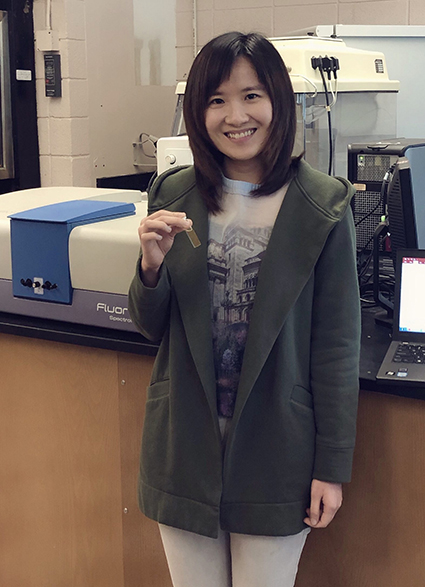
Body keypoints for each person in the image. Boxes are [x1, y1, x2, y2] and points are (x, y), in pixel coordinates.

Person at [128, 31, 361, 587]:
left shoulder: (322, 205)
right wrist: (151, 267)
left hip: (279, 450)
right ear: (197, 112)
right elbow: (148, 326)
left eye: (252, 95)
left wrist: (331, 467)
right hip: (185, 446)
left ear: (278, 102)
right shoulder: (172, 194)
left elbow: (336, 346)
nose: (236, 115)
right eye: (216, 100)